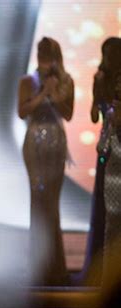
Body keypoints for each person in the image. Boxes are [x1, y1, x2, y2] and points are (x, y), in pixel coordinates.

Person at [18, 37, 74, 285]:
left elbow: (68, 114)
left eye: (49, 54)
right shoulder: (28, 81)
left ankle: (56, 267)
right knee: (38, 201)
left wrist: (56, 91)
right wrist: (43, 94)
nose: (44, 59)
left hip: (56, 142)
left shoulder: (66, 80)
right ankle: (39, 266)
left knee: (52, 202)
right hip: (34, 143)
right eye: (41, 54)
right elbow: (22, 112)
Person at [79, 37, 121, 285]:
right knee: (106, 212)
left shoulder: (114, 81)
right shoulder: (101, 79)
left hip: (111, 147)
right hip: (107, 148)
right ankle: (102, 270)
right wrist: (98, 101)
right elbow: (95, 116)